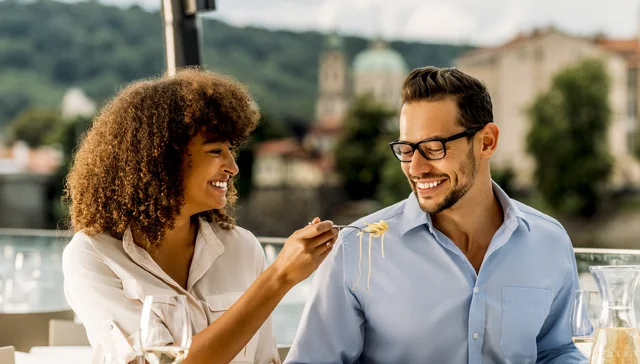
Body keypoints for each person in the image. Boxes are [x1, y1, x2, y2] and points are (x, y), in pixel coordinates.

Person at [285, 66, 587, 364]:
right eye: (406, 149)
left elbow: (557, 350)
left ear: (486, 142)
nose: (415, 168)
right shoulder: (356, 250)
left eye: (433, 147)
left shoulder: (549, 242)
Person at [62, 69, 338, 364]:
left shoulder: (241, 248)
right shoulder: (93, 255)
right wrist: (279, 277)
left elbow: (264, 360)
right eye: (215, 151)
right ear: (164, 159)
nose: (233, 167)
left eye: (230, 150)